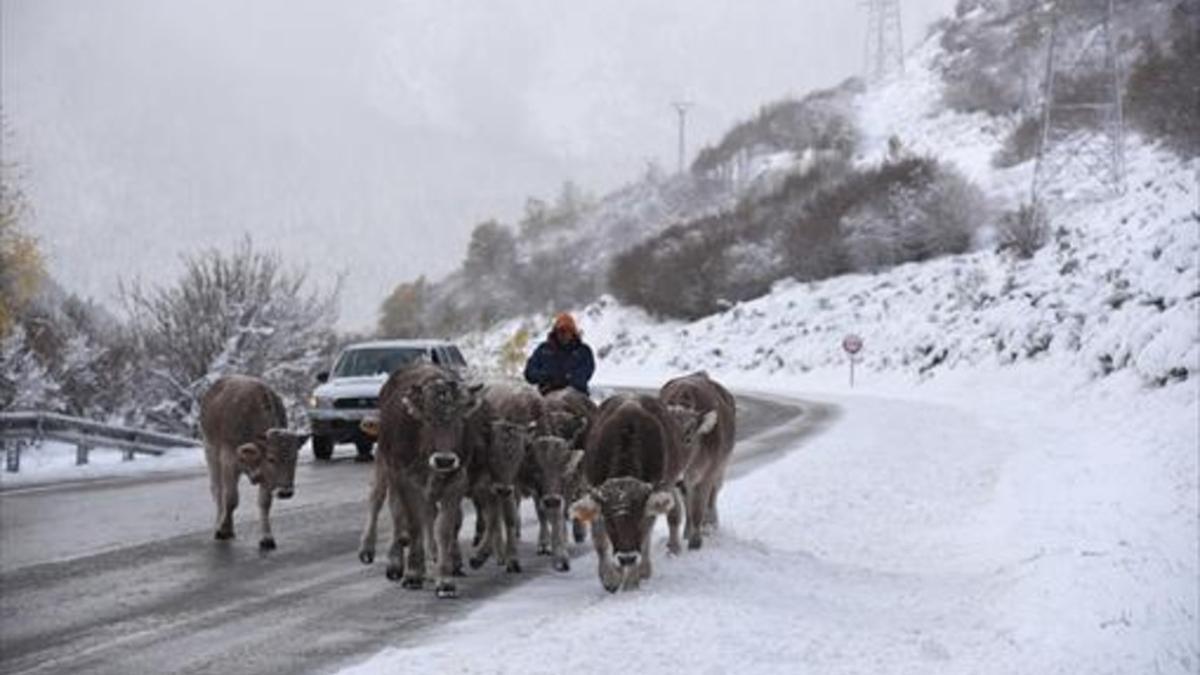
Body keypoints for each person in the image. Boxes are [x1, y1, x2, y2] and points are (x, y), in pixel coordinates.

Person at [524, 312, 595, 396]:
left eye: (567, 331)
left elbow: (586, 372)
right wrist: (545, 376)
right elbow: (530, 372)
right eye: (561, 330)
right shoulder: (543, 349)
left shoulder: (583, 351)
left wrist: (567, 379)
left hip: (575, 396)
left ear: (573, 332)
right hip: (546, 395)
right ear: (555, 331)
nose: (564, 334)